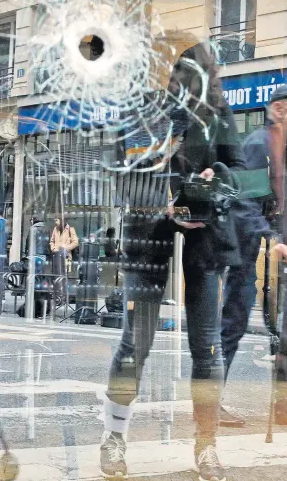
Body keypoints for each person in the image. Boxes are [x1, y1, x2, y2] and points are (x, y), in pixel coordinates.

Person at [99, 34, 246, 481]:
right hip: (148, 235)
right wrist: (161, 201)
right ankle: (114, 438)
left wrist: (213, 177)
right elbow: (120, 171)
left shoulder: (219, 116)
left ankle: (207, 447)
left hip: (206, 235)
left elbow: (241, 173)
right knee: (135, 342)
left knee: (207, 346)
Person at [220, 85, 287, 427]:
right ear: (278, 109)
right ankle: (209, 400)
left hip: (266, 248)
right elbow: (243, 200)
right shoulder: (259, 144)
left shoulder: (280, 149)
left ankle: (282, 408)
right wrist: (272, 237)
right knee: (234, 322)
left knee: (282, 329)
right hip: (243, 247)